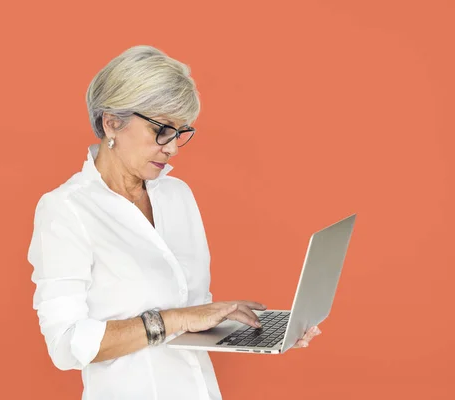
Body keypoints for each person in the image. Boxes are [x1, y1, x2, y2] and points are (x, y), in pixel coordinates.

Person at [27, 45, 322, 400]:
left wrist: (258, 330)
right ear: (111, 122)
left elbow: (192, 315)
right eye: (162, 130)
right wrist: (178, 318)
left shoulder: (177, 195)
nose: (173, 148)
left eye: (181, 132)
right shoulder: (66, 210)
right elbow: (65, 344)